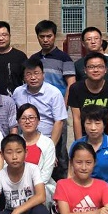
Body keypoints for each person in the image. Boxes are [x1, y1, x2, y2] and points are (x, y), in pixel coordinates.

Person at [30, 20, 75, 176]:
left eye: (48, 36)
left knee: (59, 152)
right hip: (37, 113)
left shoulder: (64, 58)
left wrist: (64, 107)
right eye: (42, 36)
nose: (45, 40)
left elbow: (71, 84)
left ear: (54, 36)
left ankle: (62, 182)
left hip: (56, 112)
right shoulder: (34, 59)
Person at [12, 58, 68, 180]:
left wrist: (50, 149)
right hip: (25, 140)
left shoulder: (54, 93)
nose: (33, 77)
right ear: (24, 77)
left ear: (43, 75)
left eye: (36, 73)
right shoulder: (18, 92)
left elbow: (59, 122)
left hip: (49, 139)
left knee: (51, 175)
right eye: (28, 74)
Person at [70, 106, 108, 214]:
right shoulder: (77, 144)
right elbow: (70, 174)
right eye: (88, 123)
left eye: (97, 123)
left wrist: (107, 195)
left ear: (104, 124)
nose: (93, 128)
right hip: (81, 196)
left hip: (107, 194)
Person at [68, 52, 108, 140]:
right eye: (91, 67)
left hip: (105, 134)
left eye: (100, 67)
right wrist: (79, 143)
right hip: (85, 134)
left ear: (105, 69)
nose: (96, 70)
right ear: (85, 70)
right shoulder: (75, 88)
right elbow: (76, 118)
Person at [17, 104, 56, 204]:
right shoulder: (14, 142)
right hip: (16, 187)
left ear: (38, 121)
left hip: (40, 187)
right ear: (18, 122)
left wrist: (28, 189)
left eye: (31, 118)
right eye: (23, 118)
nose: (27, 121)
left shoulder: (47, 143)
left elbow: (46, 174)